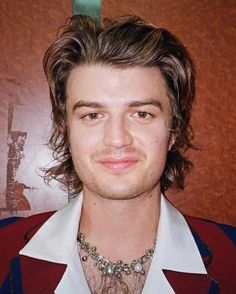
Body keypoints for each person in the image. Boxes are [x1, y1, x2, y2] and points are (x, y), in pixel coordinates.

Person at [0, 14, 235, 294]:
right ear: (66, 130)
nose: (117, 138)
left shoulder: (230, 257)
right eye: (93, 115)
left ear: (173, 130)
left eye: (141, 113)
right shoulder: (4, 248)